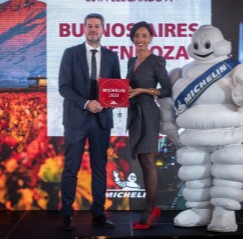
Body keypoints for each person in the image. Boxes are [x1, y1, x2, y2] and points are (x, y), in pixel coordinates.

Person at [58, 13, 121, 230]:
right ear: (83, 29)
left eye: (97, 26)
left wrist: (111, 101)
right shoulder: (70, 54)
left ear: (104, 30)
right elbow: (64, 87)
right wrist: (86, 103)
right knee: (70, 168)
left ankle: (98, 215)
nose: (93, 29)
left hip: (101, 120)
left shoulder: (112, 57)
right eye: (89, 26)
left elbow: (115, 89)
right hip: (76, 120)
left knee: (100, 169)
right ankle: (66, 215)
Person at [126, 21, 172, 229]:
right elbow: (127, 88)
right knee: (143, 163)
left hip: (149, 112)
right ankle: (151, 207)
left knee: (148, 162)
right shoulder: (130, 61)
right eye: (137, 35)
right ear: (132, 38)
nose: (140, 39)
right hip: (135, 113)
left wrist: (144, 91)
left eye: (144, 35)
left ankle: (149, 210)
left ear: (151, 38)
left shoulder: (156, 61)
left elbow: (167, 90)